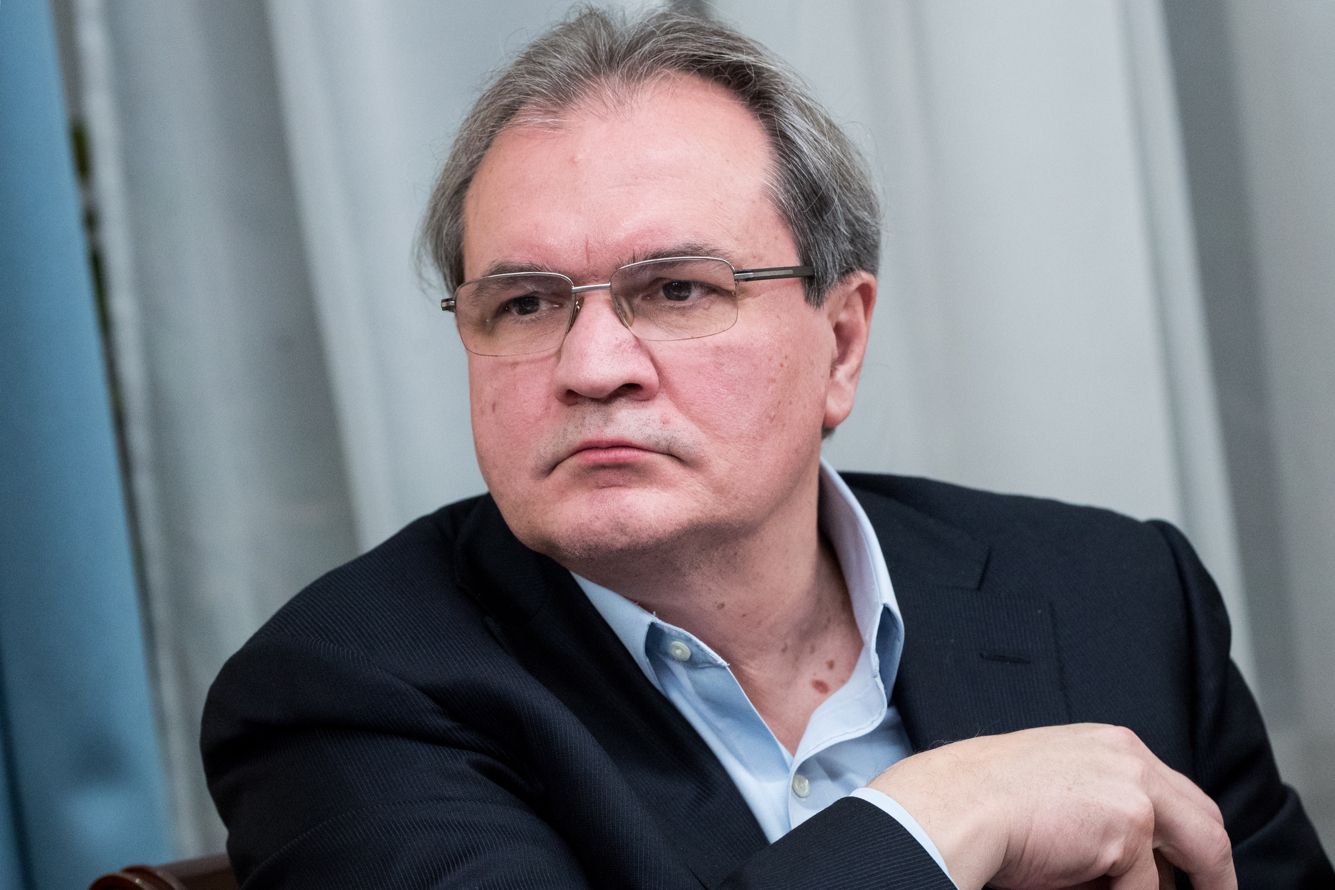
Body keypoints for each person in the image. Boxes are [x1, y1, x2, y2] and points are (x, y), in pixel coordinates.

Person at [202, 8, 1333, 888]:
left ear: (841, 342)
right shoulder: (347, 688)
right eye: (526, 303)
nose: (592, 365)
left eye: (677, 289)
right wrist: (940, 815)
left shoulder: (1115, 595)